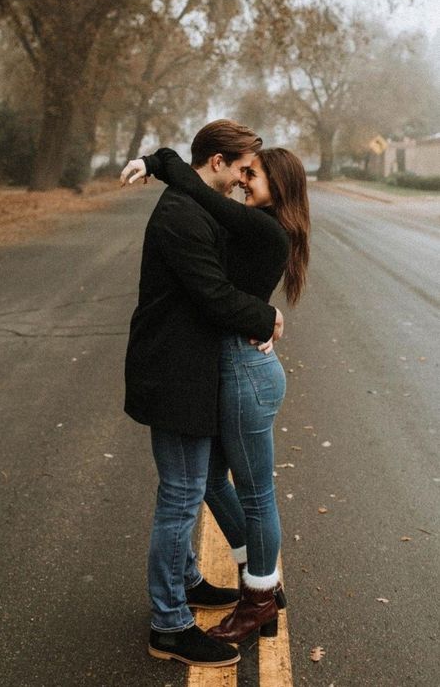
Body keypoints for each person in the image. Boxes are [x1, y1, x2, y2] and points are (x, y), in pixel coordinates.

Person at [123, 142, 310, 644]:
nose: (245, 180)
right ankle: (260, 578)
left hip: (249, 374)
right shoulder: (255, 224)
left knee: (256, 494)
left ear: (281, 186)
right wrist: (266, 315)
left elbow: (198, 193)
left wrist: (161, 161)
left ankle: (259, 600)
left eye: (255, 174)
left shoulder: (265, 228)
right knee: (209, 479)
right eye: (244, 171)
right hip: (235, 368)